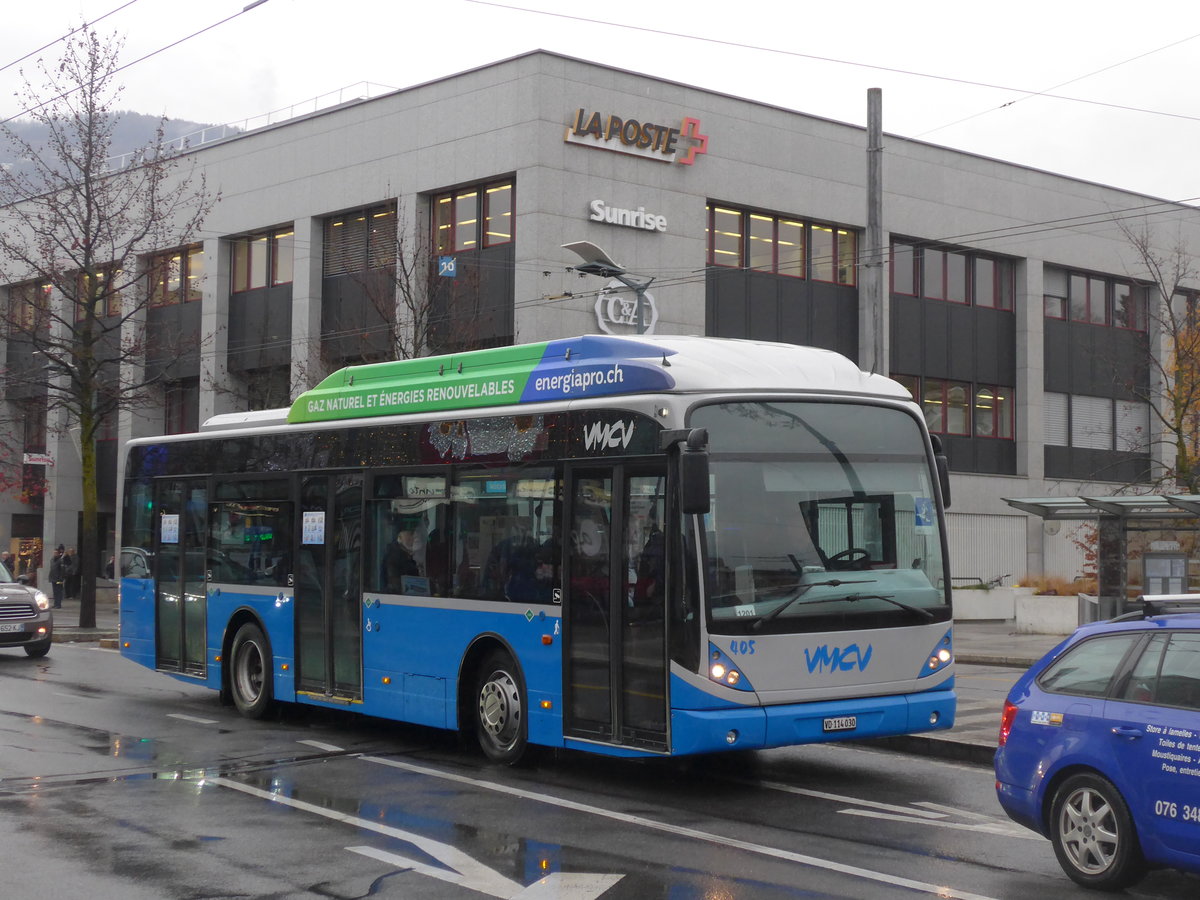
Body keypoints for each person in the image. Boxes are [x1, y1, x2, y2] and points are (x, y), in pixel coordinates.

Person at [382, 518, 421, 591]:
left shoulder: (407, 555)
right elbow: (394, 582)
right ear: (400, 537)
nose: (413, 537)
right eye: (410, 534)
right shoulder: (394, 555)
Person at [49, 544, 67, 609]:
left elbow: (62, 570)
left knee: (59, 591)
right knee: (55, 591)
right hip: (53, 578)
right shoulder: (52, 560)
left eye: (56, 553)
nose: (55, 554)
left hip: (59, 579)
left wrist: (61, 578)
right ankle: (55, 603)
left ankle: (58, 604)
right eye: (54, 552)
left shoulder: (60, 560)